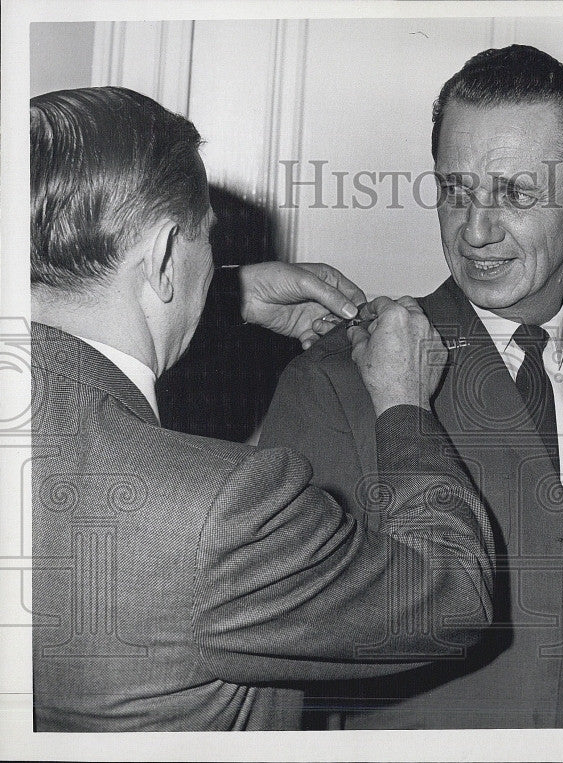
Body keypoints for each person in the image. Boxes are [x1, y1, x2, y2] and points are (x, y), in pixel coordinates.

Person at [259, 45, 563, 728]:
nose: (475, 229)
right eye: (456, 190)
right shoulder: (337, 380)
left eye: (515, 194)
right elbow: (280, 660)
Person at [30, 86, 494, 731]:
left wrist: (226, 293)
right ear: (164, 257)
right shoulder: (221, 512)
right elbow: (455, 597)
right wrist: (404, 403)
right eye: (208, 243)